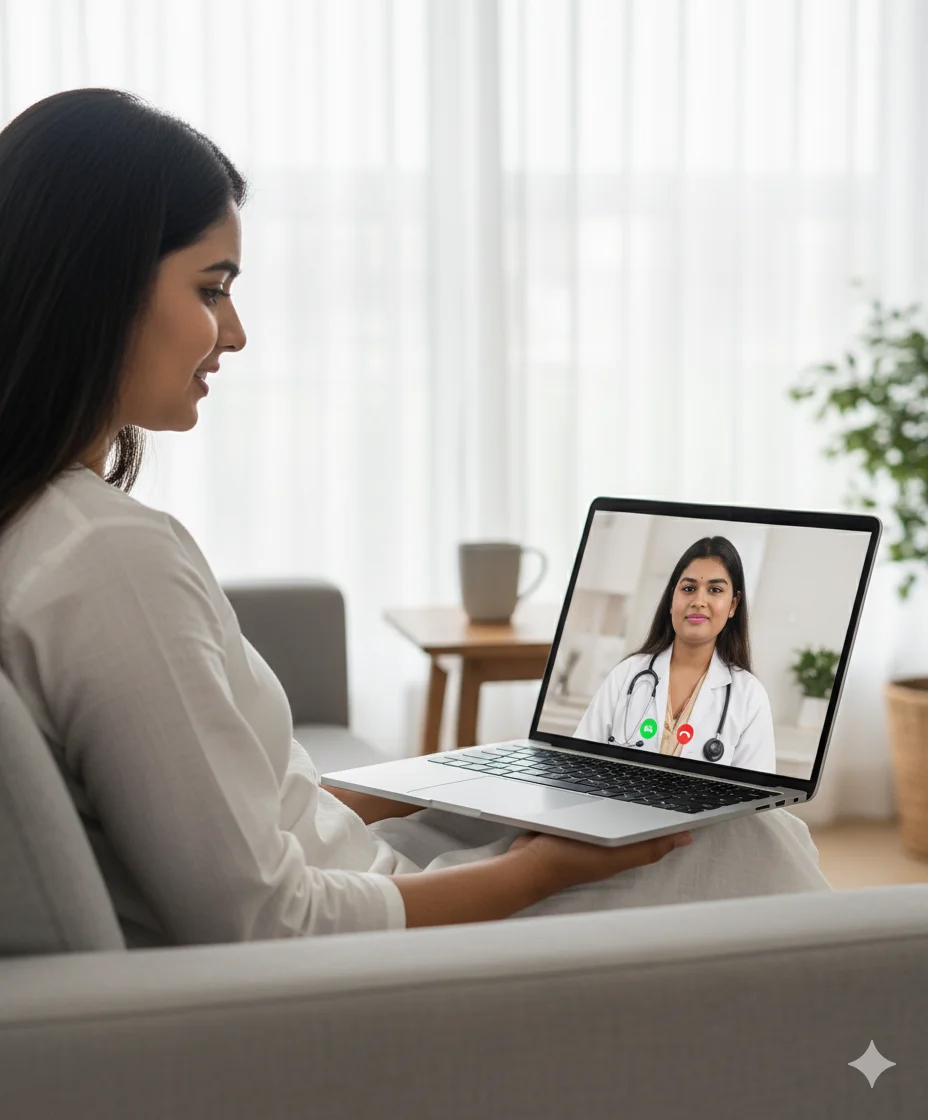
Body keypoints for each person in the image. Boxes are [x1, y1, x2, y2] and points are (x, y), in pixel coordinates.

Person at [0, 89, 830, 949]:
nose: (236, 333)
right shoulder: (110, 560)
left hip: (355, 874)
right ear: (94, 286)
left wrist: (449, 780)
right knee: (749, 834)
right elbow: (267, 920)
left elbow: (249, 810)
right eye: (212, 289)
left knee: (657, 814)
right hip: (371, 959)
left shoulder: (43, 531)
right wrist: (537, 871)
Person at [575, 537, 777, 773]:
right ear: (672, 599)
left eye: (715, 590)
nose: (699, 601)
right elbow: (579, 764)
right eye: (689, 588)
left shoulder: (750, 696)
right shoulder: (627, 674)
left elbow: (753, 799)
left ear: (733, 605)